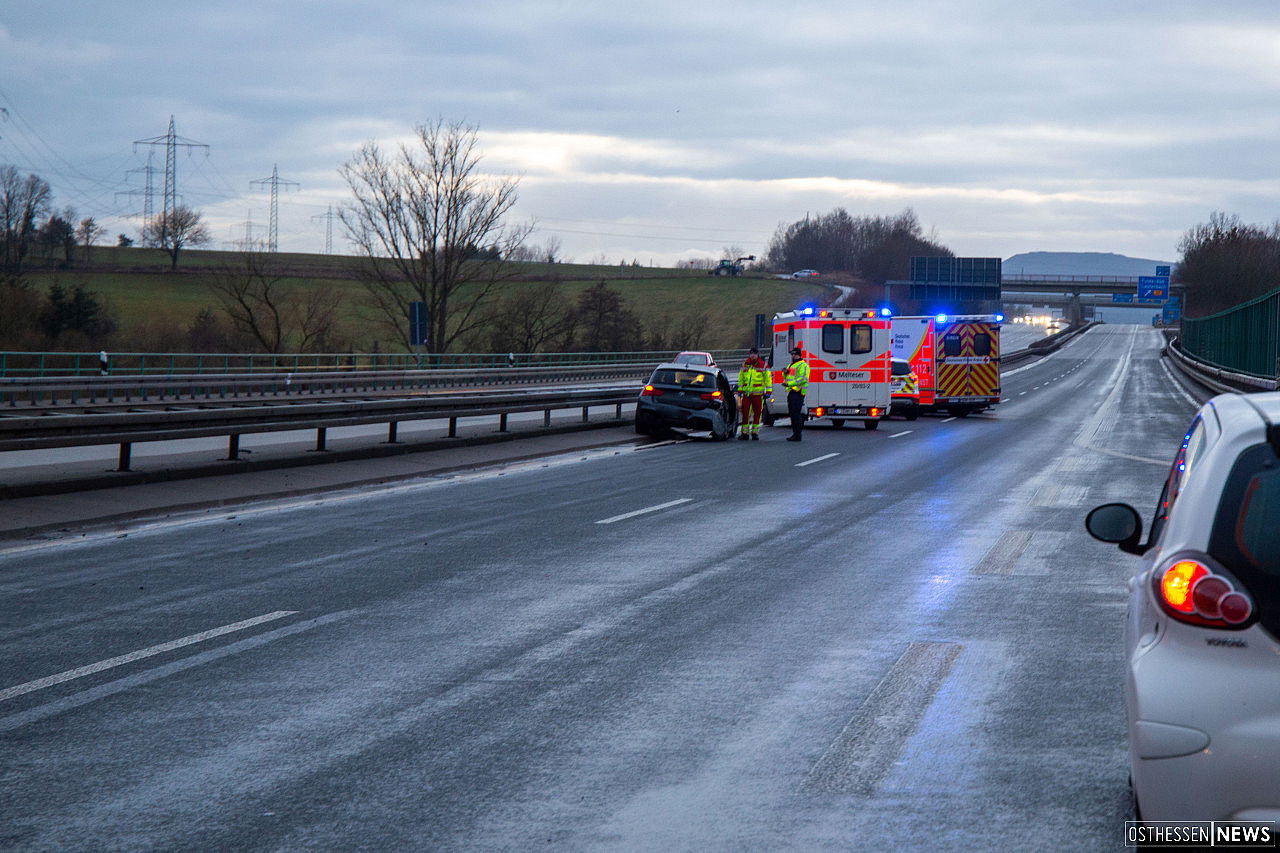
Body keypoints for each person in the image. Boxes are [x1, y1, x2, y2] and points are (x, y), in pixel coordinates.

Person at [736, 347, 770, 440]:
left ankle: (755, 433)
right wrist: (739, 390)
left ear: (757, 355)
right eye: (751, 354)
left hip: (758, 395)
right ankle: (745, 433)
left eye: (754, 354)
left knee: (757, 414)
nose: (753, 355)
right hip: (747, 394)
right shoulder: (745, 365)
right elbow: (741, 378)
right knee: (745, 414)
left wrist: (769, 391)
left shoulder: (763, 365)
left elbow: (768, 379)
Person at [782, 346, 809, 441]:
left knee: (796, 413)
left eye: (794, 354)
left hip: (798, 391)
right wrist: (785, 372)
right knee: (792, 413)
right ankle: (795, 433)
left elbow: (803, 379)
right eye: (792, 354)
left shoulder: (803, 365)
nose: (792, 356)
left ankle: (798, 434)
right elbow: (788, 375)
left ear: (799, 355)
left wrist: (789, 383)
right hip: (791, 391)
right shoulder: (791, 365)